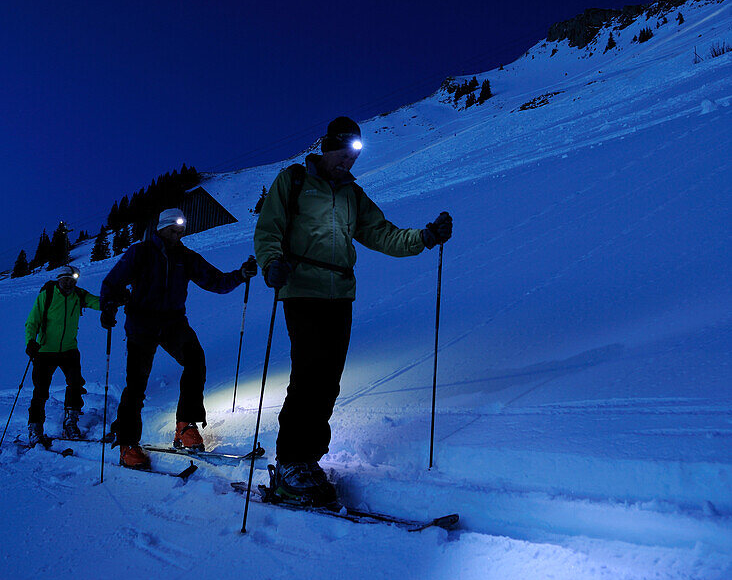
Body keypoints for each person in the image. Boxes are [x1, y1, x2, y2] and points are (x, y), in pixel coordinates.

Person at [254, 115, 453, 504]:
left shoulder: (351, 194)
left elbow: (382, 233)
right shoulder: (294, 181)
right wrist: (271, 262)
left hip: (340, 295)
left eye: (353, 157)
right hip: (302, 290)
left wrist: (425, 237)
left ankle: (308, 459)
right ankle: (290, 462)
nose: (348, 163)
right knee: (308, 375)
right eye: (343, 155)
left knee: (328, 380)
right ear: (327, 149)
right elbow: (269, 228)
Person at [99, 208, 258, 469]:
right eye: (172, 230)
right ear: (161, 228)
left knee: (195, 360)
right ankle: (128, 443)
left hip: (173, 322)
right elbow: (112, 282)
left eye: (181, 231)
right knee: (136, 383)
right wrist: (107, 306)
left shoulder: (185, 256)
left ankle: (185, 425)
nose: (177, 235)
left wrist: (240, 275)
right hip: (142, 323)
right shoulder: (141, 252)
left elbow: (215, 281)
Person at [24, 265, 101, 446]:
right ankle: (35, 428)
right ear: (58, 280)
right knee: (40, 391)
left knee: (75, 384)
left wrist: (114, 300)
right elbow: (32, 321)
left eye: (72, 280)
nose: (68, 283)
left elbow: (97, 302)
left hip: (69, 350)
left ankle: (70, 423)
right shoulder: (47, 295)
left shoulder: (79, 295)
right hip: (44, 351)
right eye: (65, 280)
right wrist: (30, 342)